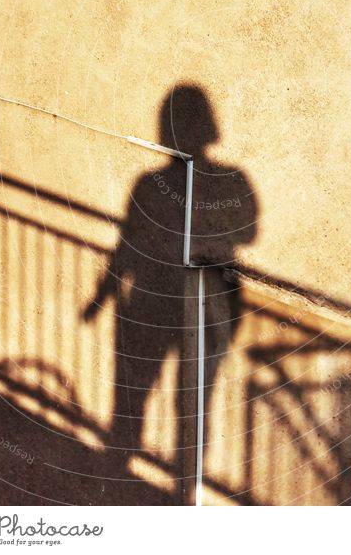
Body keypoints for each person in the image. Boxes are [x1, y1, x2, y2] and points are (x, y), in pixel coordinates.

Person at [83, 84, 258, 497]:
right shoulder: (156, 186)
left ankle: (176, 491)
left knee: (181, 403)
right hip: (169, 301)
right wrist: (103, 295)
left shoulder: (208, 183)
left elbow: (248, 228)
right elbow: (128, 245)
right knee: (151, 397)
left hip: (196, 303)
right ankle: (160, 487)